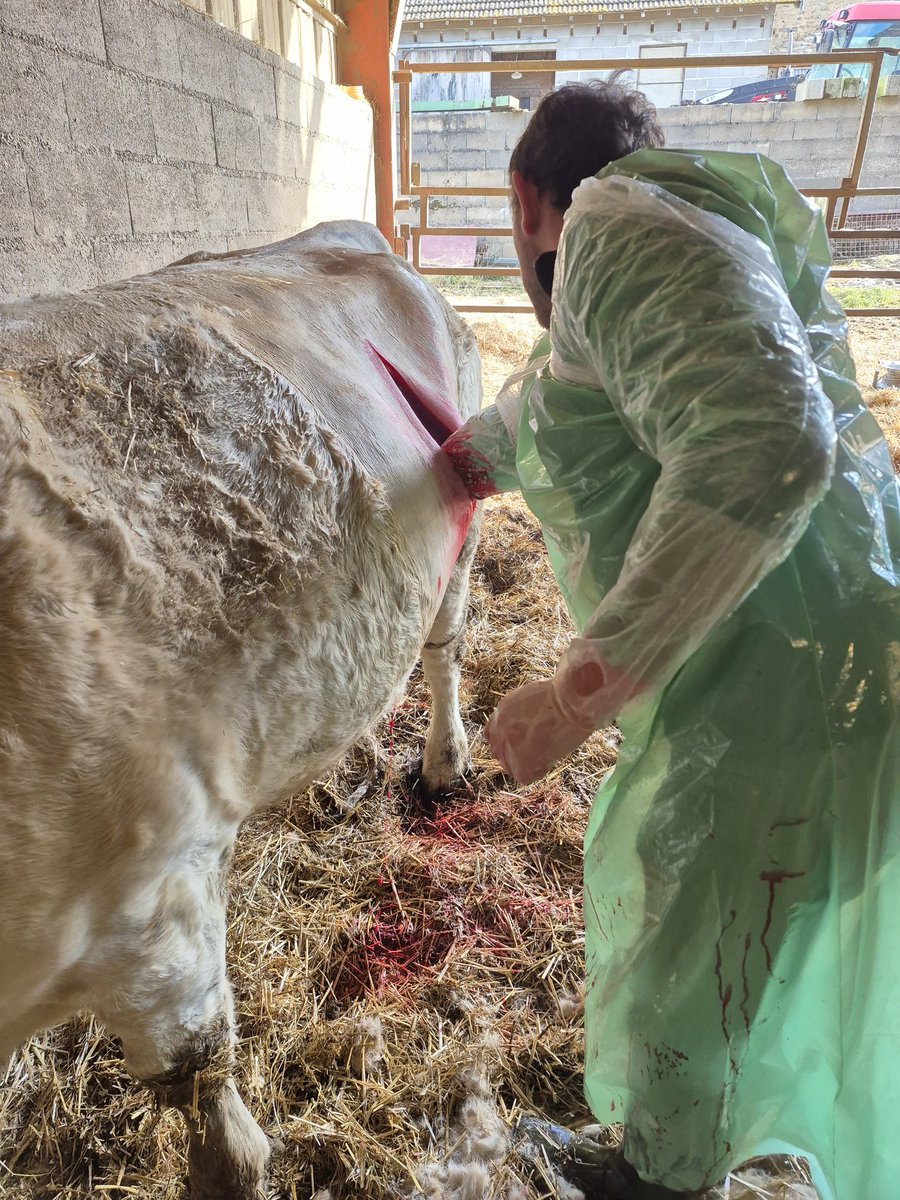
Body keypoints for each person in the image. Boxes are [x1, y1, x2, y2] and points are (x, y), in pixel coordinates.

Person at [441, 79, 900, 1200]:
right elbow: (586, 397)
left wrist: (570, 697)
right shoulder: (698, 236)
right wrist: (469, 455)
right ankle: (681, 1153)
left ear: (523, 201)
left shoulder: (605, 226)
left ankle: (657, 1182)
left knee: (697, 950)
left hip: (783, 685)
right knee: (730, 940)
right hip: (832, 655)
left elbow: (767, 446)